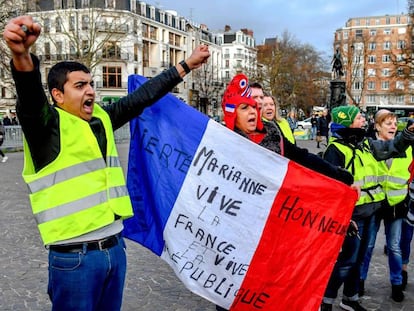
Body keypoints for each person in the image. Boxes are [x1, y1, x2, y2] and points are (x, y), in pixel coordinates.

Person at [3, 15, 210, 311]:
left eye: (90, 84)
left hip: (114, 249)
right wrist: (21, 55)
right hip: (76, 258)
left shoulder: (101, 118)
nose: (90, 91)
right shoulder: (45, 128)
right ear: (57, 95)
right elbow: (29, 94)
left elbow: (142, 98)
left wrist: (186, 65)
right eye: (79, 86)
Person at [217, 76, 354, 311]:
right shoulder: (222, 142)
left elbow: (301, 158)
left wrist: (338, 176)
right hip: (237, 232)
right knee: (234, 293)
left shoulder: (271, 133)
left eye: (254, 106)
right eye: (245, 107)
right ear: (231, 113)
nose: (254, 110)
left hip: (274, 227)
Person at [320, 106, 414, 311]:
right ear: (347, 122)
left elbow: (392, 148)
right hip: (353, 216)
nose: (364, 120)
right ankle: (326, 299)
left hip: (371, 211)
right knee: (347, 261)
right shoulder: (335, 150)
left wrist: (407, 134)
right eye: (359, 118)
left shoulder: (365, 144)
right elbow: (331, 188)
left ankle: (350, 299)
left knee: (359, 260)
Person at [359, 110, 411, 302]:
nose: (393, 126)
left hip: (397, 203)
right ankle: (360, 281)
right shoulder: (369, 146)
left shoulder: (407, 146)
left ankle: (397, 284)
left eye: (395, 123)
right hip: (375, 202)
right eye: (388, 123)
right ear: (377, 126)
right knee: (368, 245)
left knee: (394, 246)